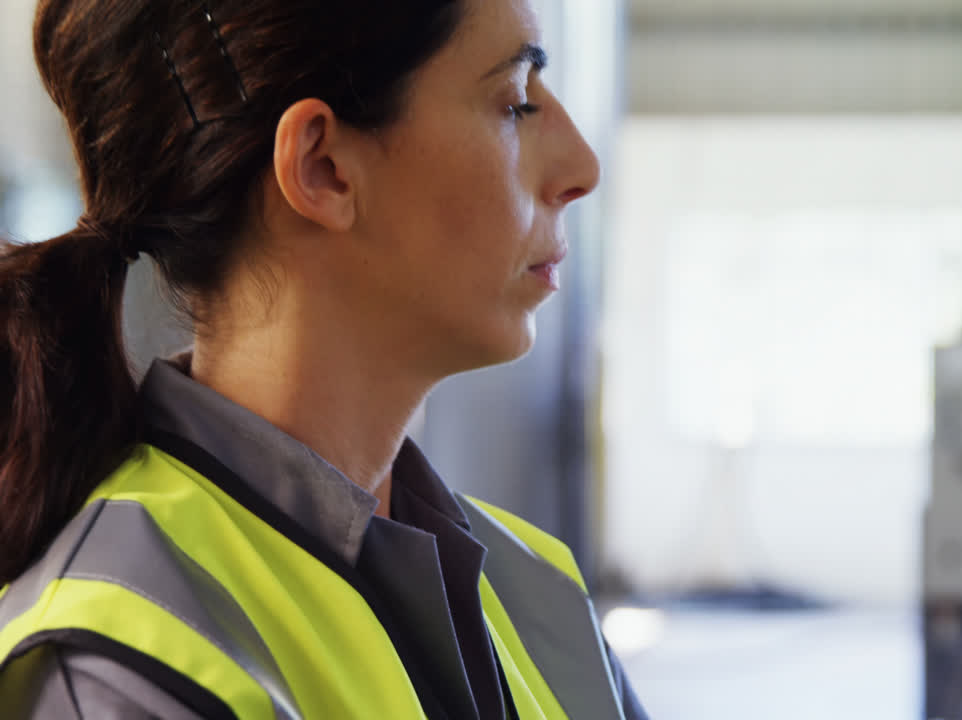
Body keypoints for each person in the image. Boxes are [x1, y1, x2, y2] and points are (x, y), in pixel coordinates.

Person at [0, 0, 647, 717]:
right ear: (323, 167)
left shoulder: (540, 594)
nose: (583, 167)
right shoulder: (117, 667)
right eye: (516, 101)